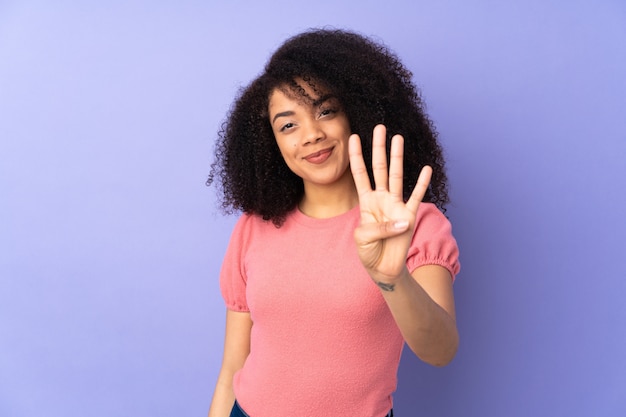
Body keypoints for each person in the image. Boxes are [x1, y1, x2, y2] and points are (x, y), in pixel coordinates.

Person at [207, 28, 460, 417]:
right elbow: (232, 370)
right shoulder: (253, 227)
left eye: (326, 111)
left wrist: (391, 278)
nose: (311, 135)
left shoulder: (413, 223)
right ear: (270, 142)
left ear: (356, 112)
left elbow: (440, 351)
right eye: (288, 125)